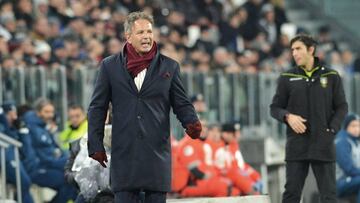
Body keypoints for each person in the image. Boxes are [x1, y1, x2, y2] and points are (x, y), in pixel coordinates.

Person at [87, 11, 201, 203]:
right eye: (140, 32)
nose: (147, 37)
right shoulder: (109, 66)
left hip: (156, 153)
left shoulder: (169, 67)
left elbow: (181, 102)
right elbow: (98, 107)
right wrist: (95, 143)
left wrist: (190, 121)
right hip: (125, 154)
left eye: (149, 31)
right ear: (128, 36)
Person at [270, 34, 348, 203]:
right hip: (297, 145)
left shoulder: (332, 75)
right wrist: (287, 117)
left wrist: (332, 129)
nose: (294, 53)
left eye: (298, 49)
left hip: (323, 143)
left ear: (311, 50)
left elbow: (342, 106)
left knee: (329, 196)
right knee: (291, 194)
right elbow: (274, 108)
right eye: (292, 50)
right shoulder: (286, 77)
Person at [23, 98, 77, 203]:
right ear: (38, 112)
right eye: (46, 112)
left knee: (73, 182)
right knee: (69, 181)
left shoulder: (44, 127)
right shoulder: (31, 128)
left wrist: (66, 159)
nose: (50, 115)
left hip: (50, 166)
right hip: (37, 169)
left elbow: (57, 149)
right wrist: (64, 162)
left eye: (52, 112)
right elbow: (40, 157)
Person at [0, 103, 35, 203]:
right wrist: (3, 119)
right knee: (24, 183)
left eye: (14, 114)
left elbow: (26, 151)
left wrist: (23, 131)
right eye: (9, 115)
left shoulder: (15, 129)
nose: (14, 118)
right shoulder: (3, 126)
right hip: (8, 161)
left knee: (25, 185)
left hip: (23, 163)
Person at [336, 114, 360, 201]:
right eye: (353, 125)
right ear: (346, 126)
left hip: (354, 179)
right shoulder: (342, 142)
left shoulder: (356, 141)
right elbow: (348, 168)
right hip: (340, 181)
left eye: (358, 125)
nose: (356, 129)